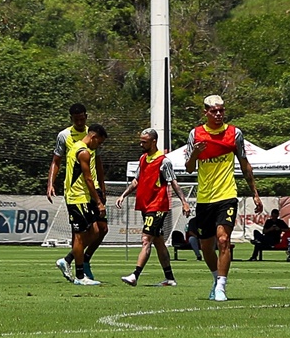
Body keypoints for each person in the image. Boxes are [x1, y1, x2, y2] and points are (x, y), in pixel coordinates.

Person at [185, 95, 263, 302]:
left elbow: (245, 164)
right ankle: (214, 279)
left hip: (227, 195)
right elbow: (189, 168)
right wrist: (194, 154)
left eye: (221, 110)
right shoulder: (196, 134)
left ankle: (221, 286)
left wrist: (254, 192)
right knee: (206, 246)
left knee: (223, 239)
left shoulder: (234, 133)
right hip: (204, 199)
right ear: (206, 112)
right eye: (214, 111)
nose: (218, 114)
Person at [116, 128, 190, 286]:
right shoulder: (143, 159)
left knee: (146, 239)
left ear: (154, 141)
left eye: (144, 141)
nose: (141, 144)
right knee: (158, 242)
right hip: (145, 205)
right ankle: (170, 278)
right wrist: (124, 194)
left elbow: (173, 181)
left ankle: (135, 275)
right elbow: (136, 181)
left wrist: (183, 201)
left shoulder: (164, 161)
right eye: (141, 140)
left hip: (157, 206)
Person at [50, 103, 107, 281]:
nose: (80, 122)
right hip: (79, 192)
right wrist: (51, 183)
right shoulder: (66, 137)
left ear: (86, 117)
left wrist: (102, 189)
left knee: (100, 230)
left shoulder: (93, 135)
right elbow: (57, 160)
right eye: (77, 119)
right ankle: (80, 271)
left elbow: (97, 163)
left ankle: (73, 259)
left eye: (82, 118)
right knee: (81, 234)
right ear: (71, 119)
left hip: (92, 189)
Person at [65, 125, 108, 285]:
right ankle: (80, 276)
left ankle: (68, 259)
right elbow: (88, 178)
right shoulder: (83, 152)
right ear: (94, 137)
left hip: (80, 197)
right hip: (78, 197)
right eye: (99, 143)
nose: (99, 146)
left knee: (95, 231)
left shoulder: (76, 147)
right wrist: (98, 201)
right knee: (80, 236)